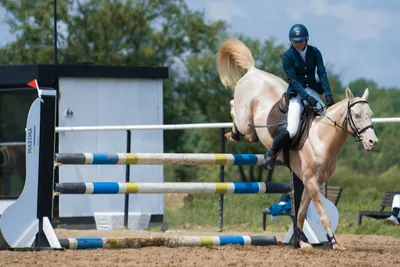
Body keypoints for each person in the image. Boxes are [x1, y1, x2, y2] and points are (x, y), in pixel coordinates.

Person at [263, 24, 335, 170]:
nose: (298, 44)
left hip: (313, 90)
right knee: (292, 130)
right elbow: (293, 80)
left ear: (306, 40)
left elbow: (322, 73)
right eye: (295, 41)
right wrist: (305, 97)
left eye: (301, 41)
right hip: (297, 94)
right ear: (291, 41)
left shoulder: (315, 52)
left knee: (327, 118)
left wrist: (328, 93)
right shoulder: (287, 57)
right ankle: (271, 153)